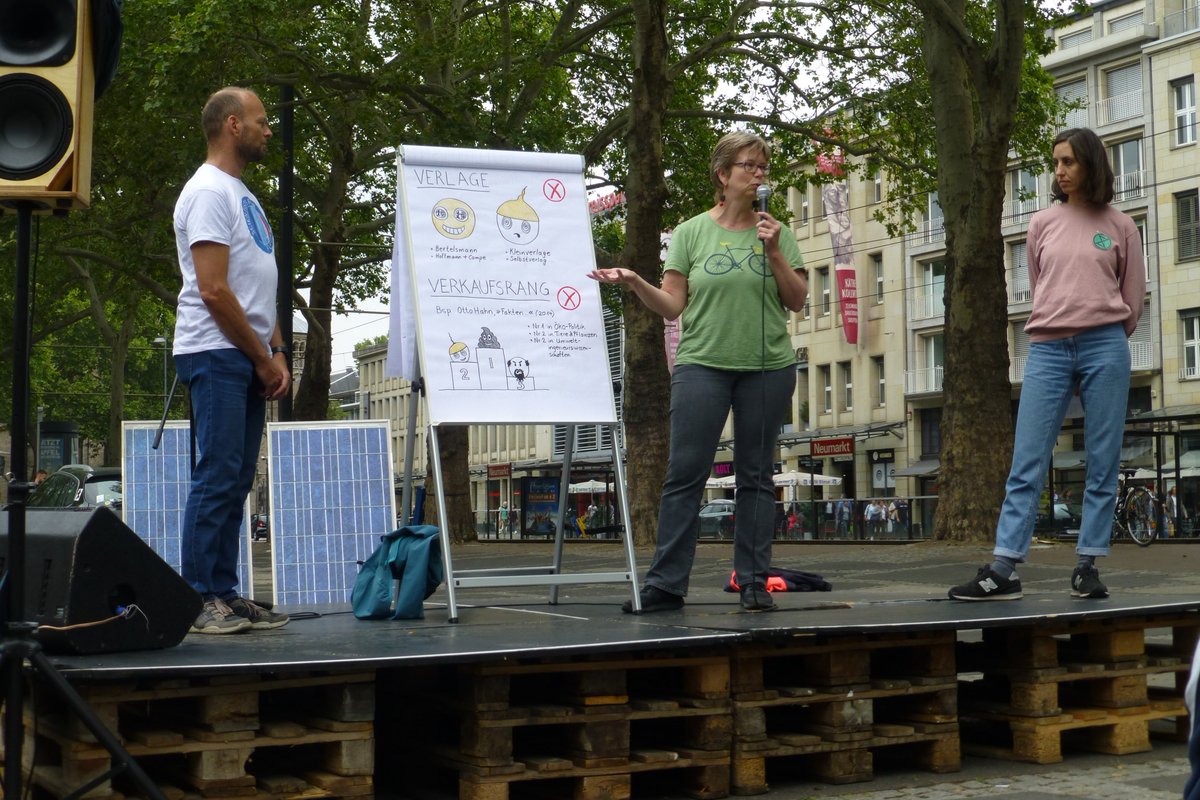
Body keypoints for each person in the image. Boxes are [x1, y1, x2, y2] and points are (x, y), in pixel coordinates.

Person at [589, 131, 807, 613]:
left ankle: (753, 581)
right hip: (702, 364)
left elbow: (796, 301)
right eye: (749, 166)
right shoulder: (690, 233)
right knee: (685, 474)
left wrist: (772, 252)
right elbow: (671, 307)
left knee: (756, 475)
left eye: (763, 167)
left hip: (767, 367)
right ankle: (666, 584)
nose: (758, 175)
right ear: (723, 175)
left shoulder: (778, 232)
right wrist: (634, 280)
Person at [949, 127, 1144, 601]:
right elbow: (1043, 287)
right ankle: (1004, 568)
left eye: (1069, 162)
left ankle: (1087, 565)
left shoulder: (1121, 225)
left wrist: (1103, 333)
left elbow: (1132, 298)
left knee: (1103, 460)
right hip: (1049, 349)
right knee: (1027, 459)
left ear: (1091, 165)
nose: (1059, 171)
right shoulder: (1042, 223)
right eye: (1056, 162)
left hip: (1105, 346)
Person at [174, 87, 292, 634]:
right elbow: (215, 291)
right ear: (232, 125)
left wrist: (278, 351)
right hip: (216, 352)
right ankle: (196, 597)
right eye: (261, 121)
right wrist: (260, 356)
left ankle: (222, 591)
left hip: (244, 355)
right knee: (217, 475)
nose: (270, 130)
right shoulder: (206, 192)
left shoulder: (242, 193)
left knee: (237, 477)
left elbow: (256, 284)